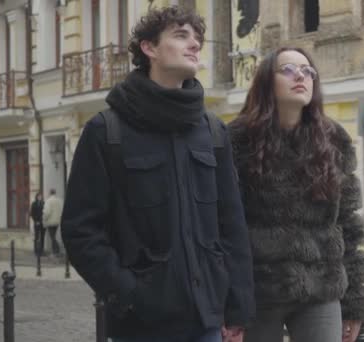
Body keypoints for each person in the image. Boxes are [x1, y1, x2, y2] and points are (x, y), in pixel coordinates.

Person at [61, 6, 254, 342]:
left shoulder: (213, 132)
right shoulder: (107, 131)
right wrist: (128, 293)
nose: (194, 44)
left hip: (207, 321)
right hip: (141, 326)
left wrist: (235, 309)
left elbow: (232, 226)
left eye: (197, 38)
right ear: (148, 48)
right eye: (181, 35)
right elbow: (80, 230)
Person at [228, 47, 364, 342]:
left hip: (321, 289)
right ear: (267, 81)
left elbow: (349, 226)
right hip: (258, 290)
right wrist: (228, 305)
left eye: (308, 71)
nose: (301, 77)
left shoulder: (333, 139)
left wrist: (355, 303)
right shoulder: (236, 140)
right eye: (289, 70)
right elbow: (223, 227)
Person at [42, 188, 62, 256]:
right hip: (57, 221)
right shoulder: (59, 200)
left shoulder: (48, 201)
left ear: (50, 193)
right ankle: (55, 251)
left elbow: (47, 212)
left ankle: (56, 250)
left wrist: (44, 219)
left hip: (50, 222)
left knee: (52, 237)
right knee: (53, 236)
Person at [30, 192, 45, 256]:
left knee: (42, 237)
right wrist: (36, 221)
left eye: (41, 196)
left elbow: (45, 212)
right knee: (36, 237)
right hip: (36, 222)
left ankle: (41, 250)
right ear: (36, 197)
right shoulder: (34, 204)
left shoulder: (43, 203)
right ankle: (36, 250)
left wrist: (43, 220)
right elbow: (32, 214)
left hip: (43, 222)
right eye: (39, 196)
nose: (40, 197)